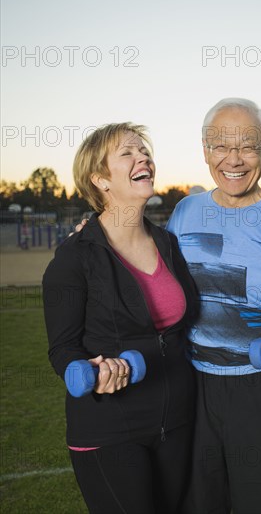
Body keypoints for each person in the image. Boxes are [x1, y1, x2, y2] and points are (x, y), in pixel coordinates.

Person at [166, 98, 261, 514]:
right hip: (193, 387)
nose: (233, 160)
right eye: (221, 146)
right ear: (205, 149)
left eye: (248, 147)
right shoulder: (184, 213)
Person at [42, 123, 197, 514]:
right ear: (100, 180)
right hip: (109, 427)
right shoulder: (75, 257)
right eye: (127, 153)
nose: (142, 157)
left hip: (177, 419)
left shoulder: (167, 243)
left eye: (143, 150)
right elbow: (62, 348)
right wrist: (87, 367)